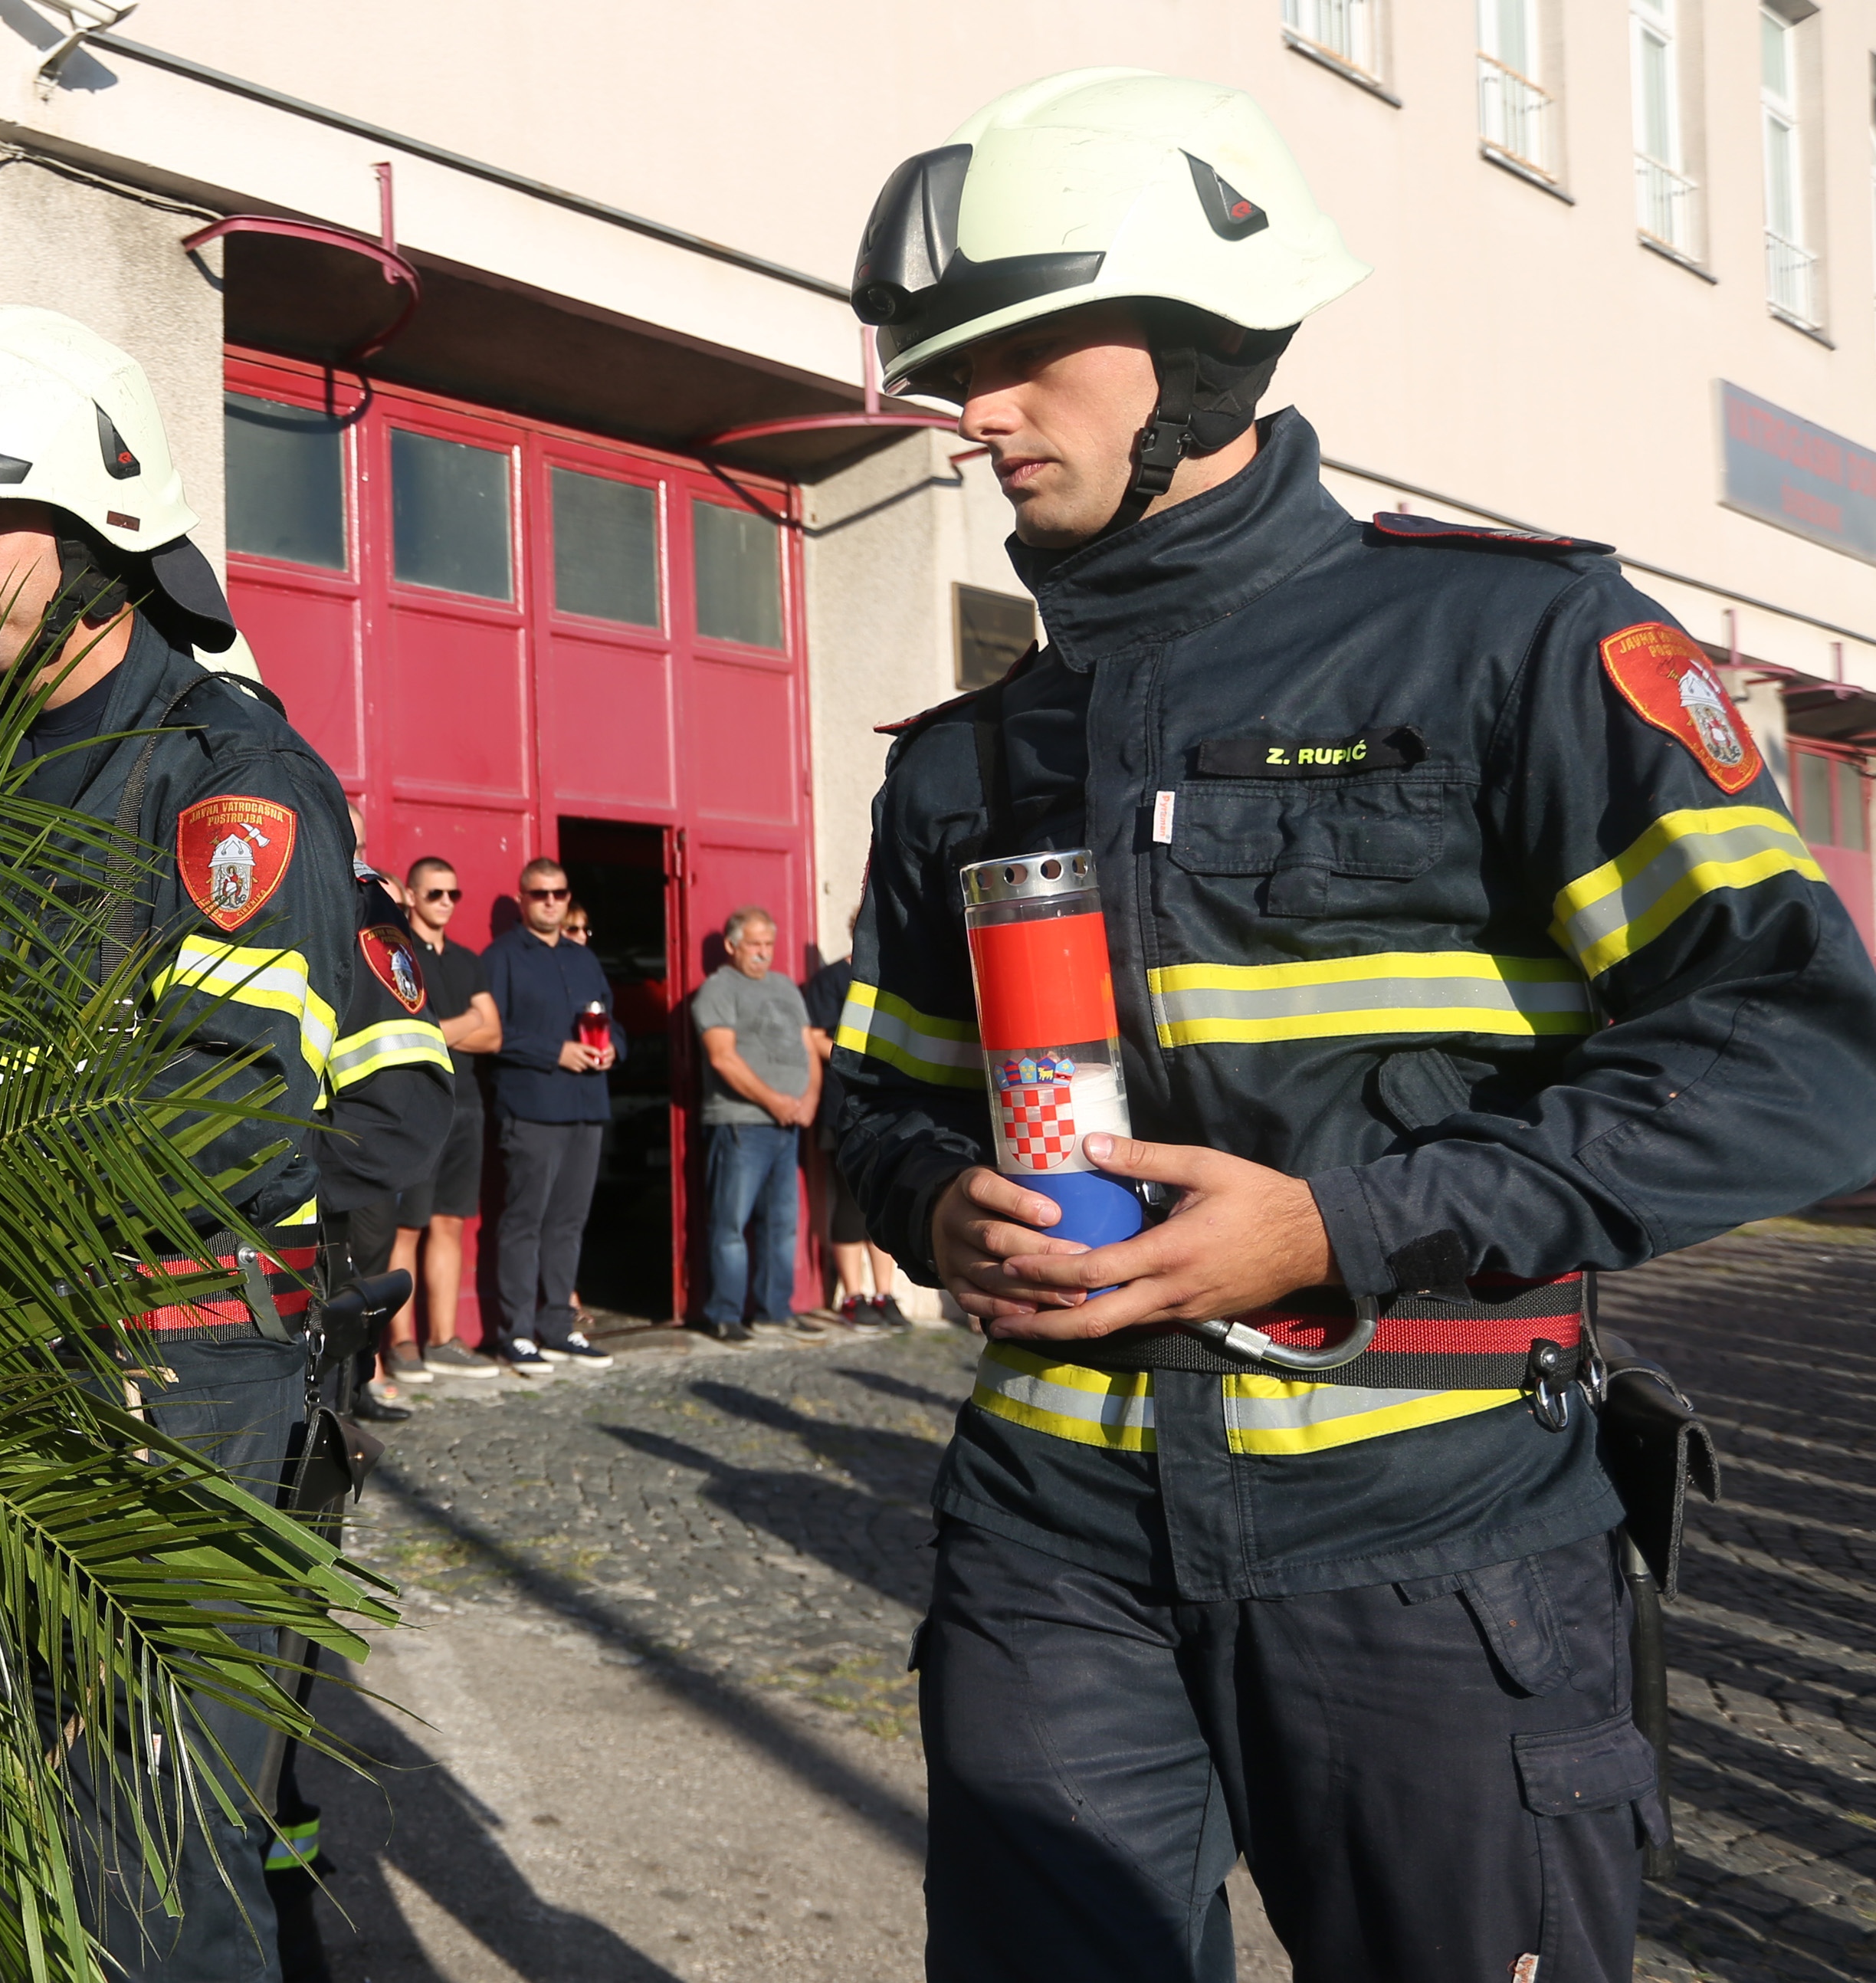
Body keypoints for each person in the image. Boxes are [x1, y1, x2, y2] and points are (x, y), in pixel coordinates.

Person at [830, 70, 1876, 1983]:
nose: (968, 411)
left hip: (1436, 1533)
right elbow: (872, 1105)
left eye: (1020, 352)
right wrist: (928, 1205)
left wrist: (1341, 1226)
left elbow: (1805, 1066)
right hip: (1045, 1545)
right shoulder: (970, 761)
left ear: (1207, 357)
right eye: (944, 365)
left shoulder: (1518, 651)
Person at [0, 304, 356, 1983]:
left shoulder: (225, 774)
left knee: (155, 1857)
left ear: (100, 523)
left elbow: (228, 1106)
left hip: (180, 1382)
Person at [322, 804, 455, 1424]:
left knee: (367, 1268)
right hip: (325, 1125)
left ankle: (356, 1387)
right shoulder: (326, 889)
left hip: (361, 1125)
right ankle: (332, 1392)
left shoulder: (368, 899)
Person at [484, 857, 622, 1374]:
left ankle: (559, 1324)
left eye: (559, 893)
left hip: (588, 1106)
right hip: (534, 1106)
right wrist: (553, 1052)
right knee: (525, 1221)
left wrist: (613, 1051)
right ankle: (516, 1332)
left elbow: (614, 1021)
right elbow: (493, 1032)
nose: (550, 901)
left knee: (569, 1222)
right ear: (523, 898)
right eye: (540, 893)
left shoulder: (584, 959)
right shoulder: (501, 957)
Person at [690, 907, 831, 1342]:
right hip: (741, 1124)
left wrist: (808, 1099)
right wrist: (775, 1101)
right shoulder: (717, 990)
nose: (763, 953)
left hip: (787, 1126)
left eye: (768, 944)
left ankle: (774, 1309)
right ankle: (725, 1313)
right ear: (732, 946)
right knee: (731, 1222)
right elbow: (722, 1057)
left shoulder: (786, 987)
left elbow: (809, 1047)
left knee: (782, 1220)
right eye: (754, 944)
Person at [387, 855, 502, 1384]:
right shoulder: (397, 952)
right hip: (419, 1105)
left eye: (454, 894)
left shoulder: (468, 959)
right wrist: (463, 1024)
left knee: (451, 1222)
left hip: (467, 1102)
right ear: (411, 896)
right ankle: (402, 1341)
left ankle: (444, 1338)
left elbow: (493, 1035)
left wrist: (442, 1028)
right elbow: (414, 1030)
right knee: (407, 1226)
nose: (446, 904)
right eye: (436, 894)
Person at [802, 914, 903, 1325]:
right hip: (844, 1105)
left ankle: (885, 1295)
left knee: (884, 1197)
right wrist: (859, 1064)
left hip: (888, 1106)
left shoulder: (891, 977)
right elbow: (813, 1037)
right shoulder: (831, 980)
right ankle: (852, 1295)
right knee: (850, 1200)